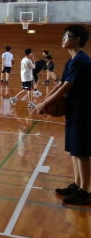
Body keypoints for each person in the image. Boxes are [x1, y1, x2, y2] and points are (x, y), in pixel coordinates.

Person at [31, 25, 91, 205]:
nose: (63, 39)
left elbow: (66, 87)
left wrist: (44, 104)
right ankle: (78, 185)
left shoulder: (81, 60)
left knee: (82, 152)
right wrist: (44, 100)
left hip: (83, 110)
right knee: (75, 150)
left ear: (77, 39)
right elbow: (60, 83)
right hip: (74, 109)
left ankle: (85, 192)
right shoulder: (71, 61)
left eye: (66, 36)